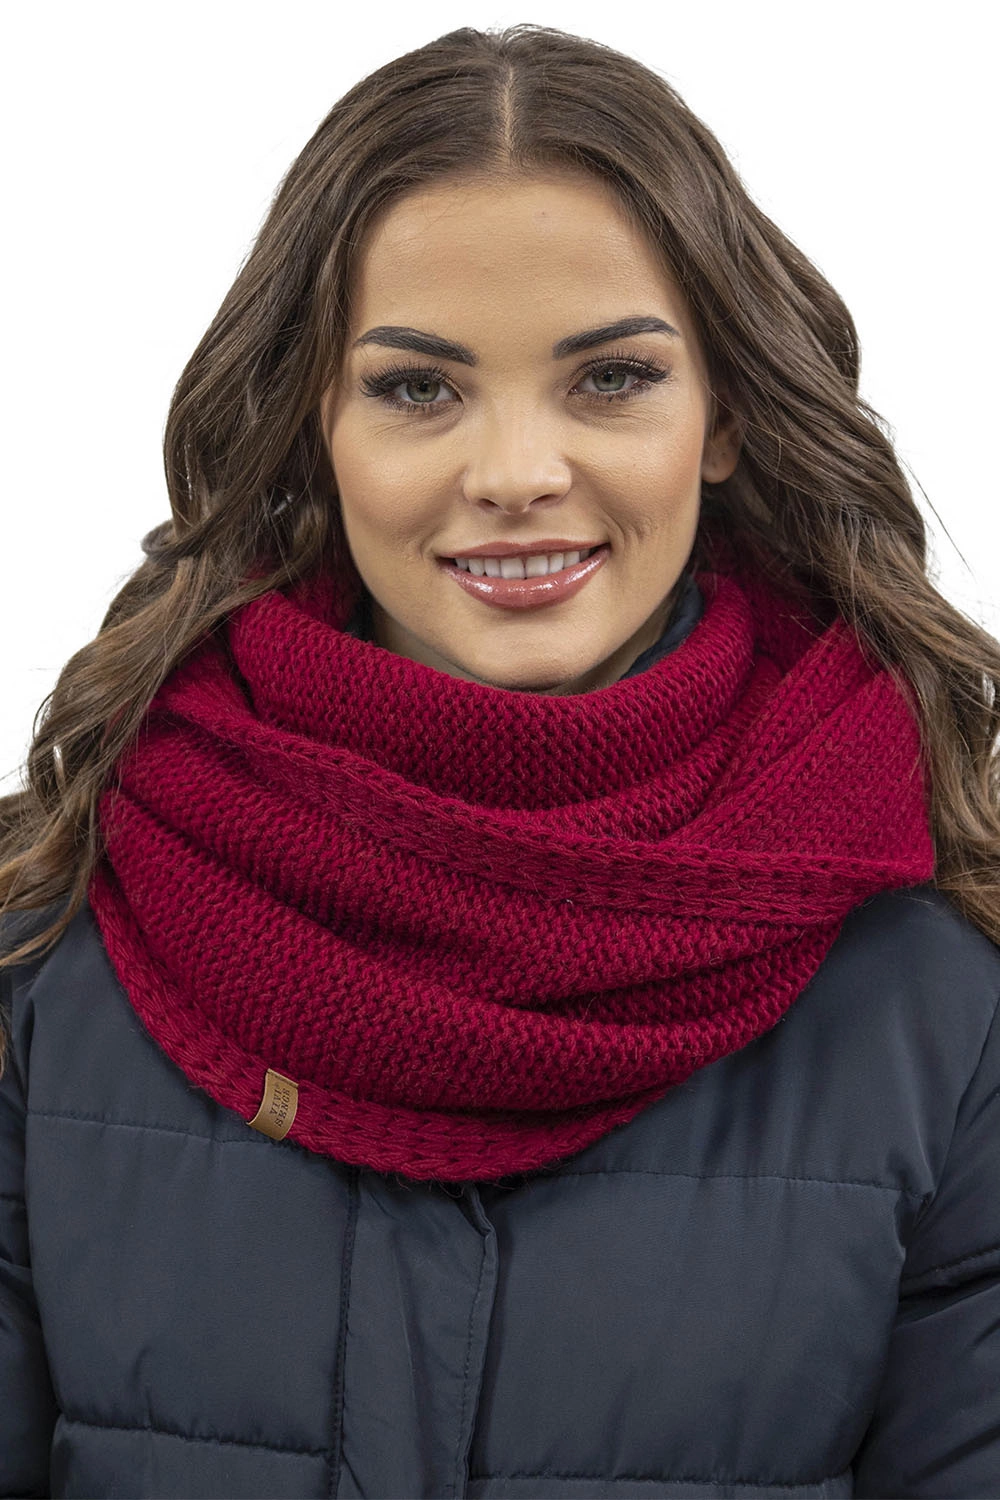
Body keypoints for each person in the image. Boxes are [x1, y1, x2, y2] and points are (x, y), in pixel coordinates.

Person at [1, 21, 998, 1500]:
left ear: (724, 415)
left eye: (611, 379)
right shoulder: (53, 933)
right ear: (313, 422)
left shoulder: (945, 988)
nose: (517, 473)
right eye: (419, 388)